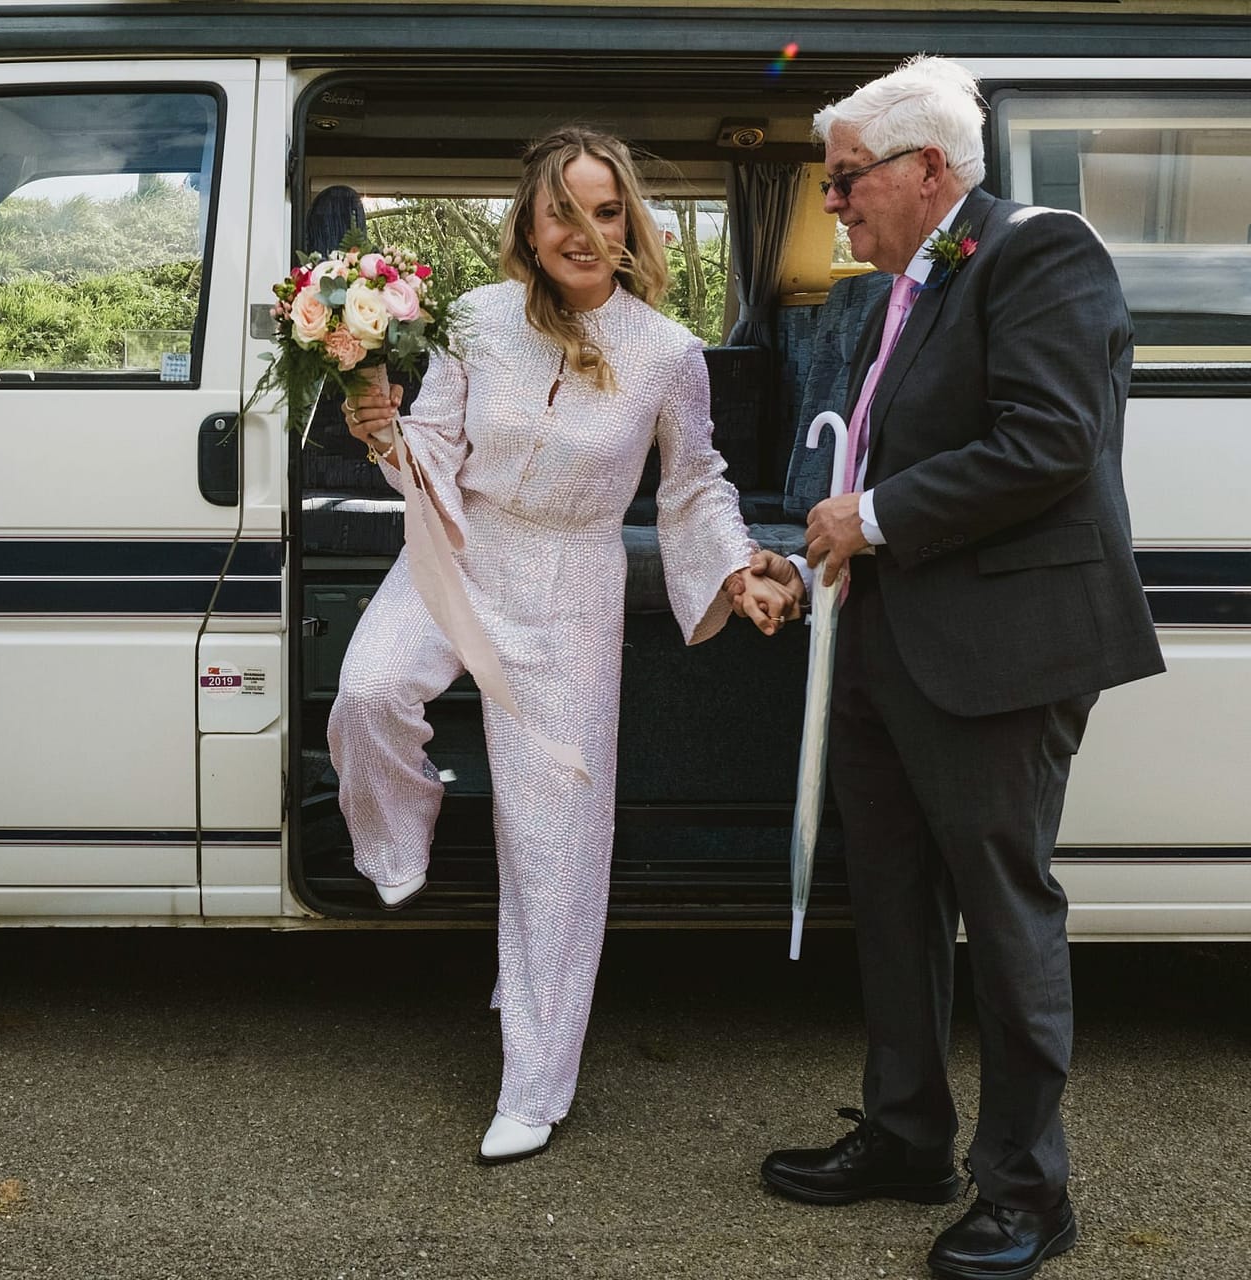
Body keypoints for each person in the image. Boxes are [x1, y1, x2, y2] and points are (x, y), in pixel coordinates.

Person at [757, 57, 1163, 1280]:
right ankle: (906, 1137)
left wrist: (866, 518)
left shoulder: (1041, 252)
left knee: (1005, 909)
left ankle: (1030, 1188)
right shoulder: (899, 288)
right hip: (893, 641)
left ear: (931, 168)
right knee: (889, 901)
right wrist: (819, 541)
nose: (831, 201)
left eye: (845, 176)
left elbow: (1049, 439)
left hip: (1002, 652)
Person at [332, 127, 798, 1165]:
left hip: (573, 585)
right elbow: (437, 452)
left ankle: (534, 1085)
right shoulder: (474, 320)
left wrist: (733, 566)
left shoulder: (668, 352)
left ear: (630, 221)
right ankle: (395, 845)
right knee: (364, 692)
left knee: (556, 844)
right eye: (563, 211)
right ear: (529, 227)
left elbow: (694, 482)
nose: (585, 231)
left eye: (605, 209)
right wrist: (383, 431)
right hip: (459, 545)